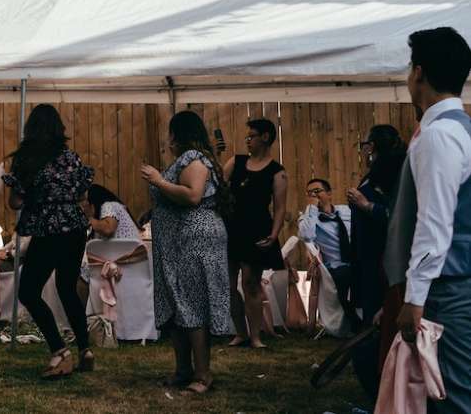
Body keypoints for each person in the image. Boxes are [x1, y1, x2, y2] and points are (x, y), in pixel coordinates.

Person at [385, 27, 471, 413]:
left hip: (449, 289)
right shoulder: (462, 129)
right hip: (455, 283)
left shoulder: (440, 135)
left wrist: (414, 298)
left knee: (450, 395)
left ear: (418, 72)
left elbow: (434, 224)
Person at [140, 110, 232, 396]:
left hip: (195, 240)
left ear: (178, 134)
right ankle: (183, 370)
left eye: (170, 133)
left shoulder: (194, 159)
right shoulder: (186, 160)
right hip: (176, 244)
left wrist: (157, 180)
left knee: (192, 305)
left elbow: (192, 195)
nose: (167, 139)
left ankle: (203, 375)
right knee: (177, 305)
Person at [2, 104, 96, 379]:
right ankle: (84, 350)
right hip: (75, 227)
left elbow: (15, 201)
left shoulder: (28, 160)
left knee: (29, 291)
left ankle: (59, 350)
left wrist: (34, 196)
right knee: (67, 287)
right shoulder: (70, 157)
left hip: (47, 229)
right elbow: (81, 194)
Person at [224, 118, 288, 349]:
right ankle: (240, 333)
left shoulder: (277, 172)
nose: (247, 140)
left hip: (257, 228)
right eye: (246, 137)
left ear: (266, 137)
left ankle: (256, 336)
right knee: (228, 285)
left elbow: (280, 207)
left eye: (252, 136)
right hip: (232, 227)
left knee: (251, 283)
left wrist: (273, 234)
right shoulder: (236, 162)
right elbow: (220, 188)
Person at [347, 125, 407, 326]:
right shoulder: (376, 174)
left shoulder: (391, 175)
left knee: (378, 314)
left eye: (364, 144)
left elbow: (401, 216)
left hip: (380, 257)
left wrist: (367, 205)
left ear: (371, 147)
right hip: (368, 254)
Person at [297, 179, 357, 324]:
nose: (313, 195)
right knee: (345, 275)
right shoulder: (308, 219)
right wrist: (311, 208)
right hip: (336, 266)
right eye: (309, 193)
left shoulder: (346, 211)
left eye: (317, 191)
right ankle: (355, 324)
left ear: (329, 194)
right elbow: (306, 236)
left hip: (358, 259)